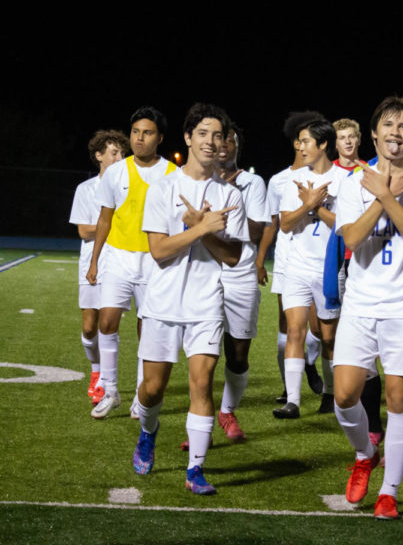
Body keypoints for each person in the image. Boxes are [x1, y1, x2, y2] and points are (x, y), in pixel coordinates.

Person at [332, 96, 403, 520]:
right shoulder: (351, 183)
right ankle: (365, 452)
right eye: (388, 125)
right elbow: (352, 239)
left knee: (399, 398)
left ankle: (389, 493)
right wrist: (381, 195)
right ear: (374, 133)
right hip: (361, 300)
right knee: (344, 396)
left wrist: (388, 195)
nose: (395, 132)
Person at [131, 103, 247, 495]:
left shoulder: (231, 194)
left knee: (203, 383)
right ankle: (149, 431)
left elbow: (232, 257)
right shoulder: (163, 187)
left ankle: (195, 469)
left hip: (205, 303)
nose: (211, 142)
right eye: (203, 134)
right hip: (162, 302)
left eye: (218, 135)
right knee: (152, 389)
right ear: (187, 138)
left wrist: (205, 229)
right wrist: (200, 228)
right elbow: (160, 251)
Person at [87, 107, 176, 419]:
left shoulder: (172, 174)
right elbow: (104, 219)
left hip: (155, 264)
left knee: (147, 331)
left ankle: (141, 395)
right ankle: (109, 390)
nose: (139, 138)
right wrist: (95, 260)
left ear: (160, 138)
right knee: (107, 322)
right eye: (136, 132)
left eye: (147, 133)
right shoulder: (115, 172)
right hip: (118, 259)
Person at [276, 117, 347, 419]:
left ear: (323, 144)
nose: (300, 146)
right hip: (297, 266)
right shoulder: (294, 179)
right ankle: (292, 401)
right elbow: (285, 223)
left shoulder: (346, 180)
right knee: (295, 330)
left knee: (329, 337)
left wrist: (317, 207)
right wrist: (306, 205)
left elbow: (347, 228)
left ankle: (330, 394)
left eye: (306, 141)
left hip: (330, 269)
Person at [258, 112, 327, 406]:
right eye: (299, 140)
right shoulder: (279, 181)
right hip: (288, 260)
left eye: (307, 139)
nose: (302, 145)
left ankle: (308, 361)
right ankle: (290, 390)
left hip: (319, 259)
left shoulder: (330, 175)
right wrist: (260, 259)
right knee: (288, 325)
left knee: (318, 328)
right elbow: (273, 223)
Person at [214, 124, 269, 440]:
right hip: (206, 276)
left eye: (230, 138)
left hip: (242, 276)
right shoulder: (199, 180)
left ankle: (227, 411)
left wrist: (231, 194)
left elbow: (256, 232)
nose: (223, 144)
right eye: (218, 138)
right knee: (205, 355)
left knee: (237, 355)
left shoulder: (252, 183)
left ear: (237, 146)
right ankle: (202, 424)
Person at [69, 130, 128, 402]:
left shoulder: (129, 188)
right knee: (90, 327)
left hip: (118, 265)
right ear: (99, 156)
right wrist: (111, 224)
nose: (119, 157)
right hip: (91, 263)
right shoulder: (86, 189)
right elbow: (83, 230)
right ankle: (95, 369)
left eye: (121, 153)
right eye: (114, 153)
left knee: (109, 325)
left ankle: (105, 381)